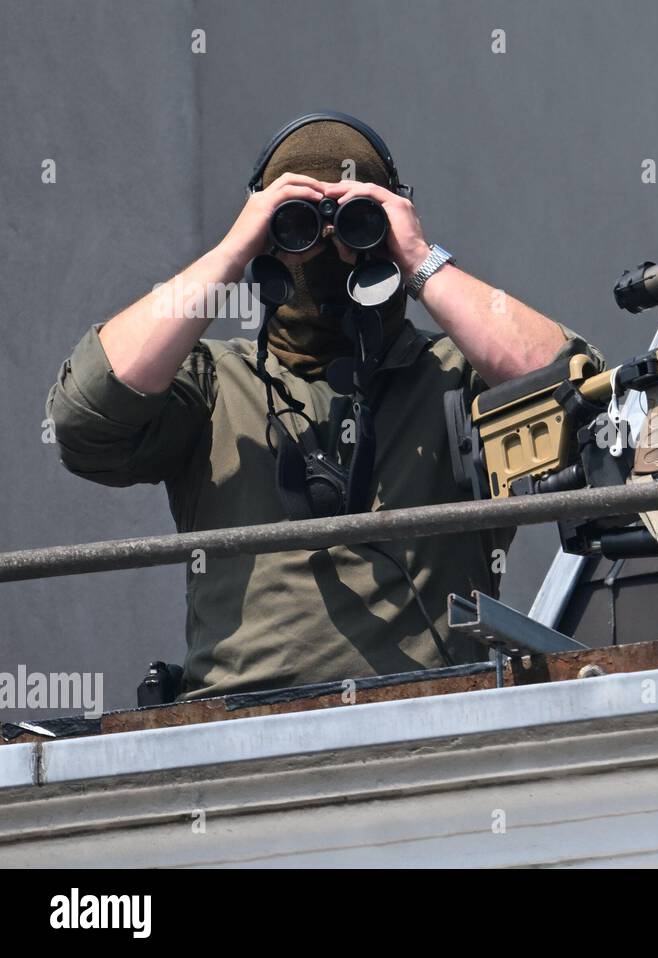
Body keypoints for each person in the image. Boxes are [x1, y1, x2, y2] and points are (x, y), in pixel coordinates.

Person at [46, 112, 586, 700]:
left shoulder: (452, 377)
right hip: (237, 732)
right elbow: (83, 416)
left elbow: (577, 397)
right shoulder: (214, 383)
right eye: (299, 226)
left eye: (355, 223)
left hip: (435, 723)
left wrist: (420, 259)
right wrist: (231, 252)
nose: (329, 246)